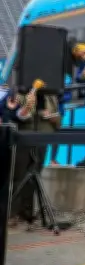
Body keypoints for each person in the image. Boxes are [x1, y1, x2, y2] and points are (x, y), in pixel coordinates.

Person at [1, 85, 61, 227]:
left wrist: (53, 117)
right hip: (24, 136)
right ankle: (11, 213)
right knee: (18, 174)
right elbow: (15, 113)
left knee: (35, 174)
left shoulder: (51, 95)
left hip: (44, 136)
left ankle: (26, 213)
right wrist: (28, 107)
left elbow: (59, 117)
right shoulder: (20, 90)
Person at [48, 74, 72, 166]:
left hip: (58, 112)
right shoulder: (46, 74)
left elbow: (68, 96)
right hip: (45, 111)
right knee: (42, 134)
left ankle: (53, 159)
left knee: (56, 136)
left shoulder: (66, 78)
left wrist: (58, 98)